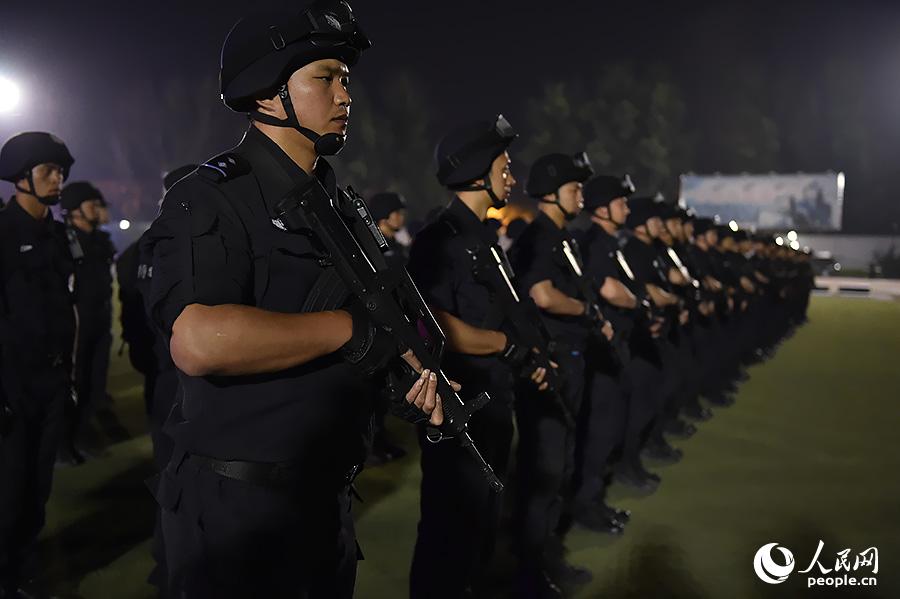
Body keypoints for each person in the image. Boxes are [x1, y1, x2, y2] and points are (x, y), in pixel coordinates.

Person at [142, 3, 438, 597]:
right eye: (324, 77)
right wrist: (345, 330)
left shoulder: (337, 206)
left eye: (346, 79)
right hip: (240, 516)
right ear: (265, 93)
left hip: (322, 501)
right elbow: (198, 341)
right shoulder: (213, 197)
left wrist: (408, 382)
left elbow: (371, 328)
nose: (344, 94)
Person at [407, 115, 548, 599]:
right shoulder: (439, 239)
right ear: (474, 171)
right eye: (504, 167)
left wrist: (527, 354)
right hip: (460, 412)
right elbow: (434, 325)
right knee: (449, 533)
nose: (512, 177)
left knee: (481, 529)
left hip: (494, 403)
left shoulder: (485, 236)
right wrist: (507, 346)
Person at [508, 152, 600, 596]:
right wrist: (587, 309)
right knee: (543, 471)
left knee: (557, 465)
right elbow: (542, 295)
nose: (580, 193)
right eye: (574, 187)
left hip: (570, 359)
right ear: (550, 192)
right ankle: (531, 570)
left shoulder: (562, 236)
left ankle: (543, 555)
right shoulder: (540, 236)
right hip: (550, 363)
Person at [0, 131, 77, 597]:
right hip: (11, 385)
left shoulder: (58, 232)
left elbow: (67, 305)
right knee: (8, 490)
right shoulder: (3, 233)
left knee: (38, 487)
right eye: (48, 170)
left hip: (50, 381)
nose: (58, 178)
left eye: (61, 170)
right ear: (20, 178)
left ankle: (24, 571)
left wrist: (68, 375)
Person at [59, 181, 116, 463]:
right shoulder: (63, 243)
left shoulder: (100, 241)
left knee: (95, 381)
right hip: (76, 324)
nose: (98, 209)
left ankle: (83, 431)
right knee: (74, 382)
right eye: (91, 204)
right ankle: (65, 441)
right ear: (74, 211)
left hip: (99, 320)